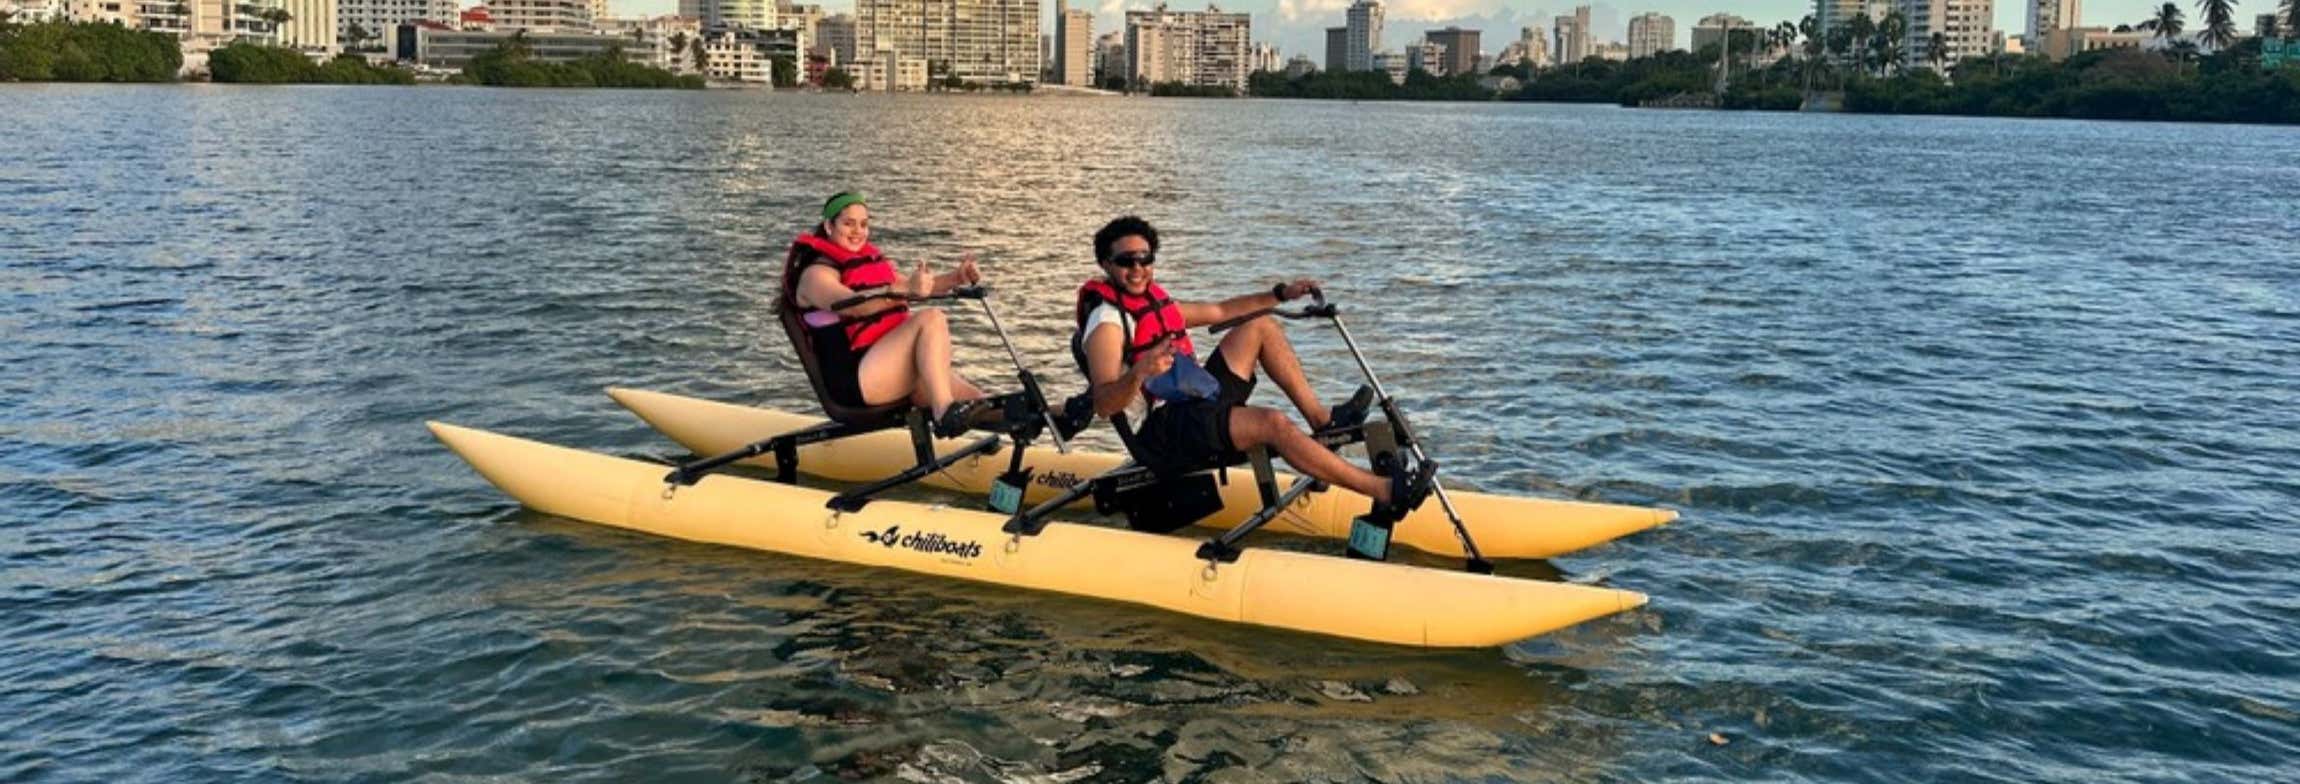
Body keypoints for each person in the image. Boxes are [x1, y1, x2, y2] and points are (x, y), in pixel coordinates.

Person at [1072, 216, 1434, 520]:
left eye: (1144, 258)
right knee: (1272, 423)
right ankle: (1385, 490)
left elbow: (1220, 311)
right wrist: (1138, 373)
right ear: (1106, 265)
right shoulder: (1107, 323)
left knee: (1260, 326)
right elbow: (1104, 404)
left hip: (1196, 401)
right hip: (1166, 431)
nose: (1137, 269)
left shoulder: (1154, 301)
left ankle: (1323, 422)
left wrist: (1279, 295)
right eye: (1125, 261)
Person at [782, 192, 991, 436]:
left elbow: (919, 287)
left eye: (864, 224)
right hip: (855, 384)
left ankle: (1008, 461)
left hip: (884, 370)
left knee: (980, 403)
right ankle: (943, 411)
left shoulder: (866, 262)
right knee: (931, 318)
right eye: (848, 223)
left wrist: (958, 277)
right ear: (829, 226)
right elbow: (853, 305)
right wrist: (903, 291)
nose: (857, 231)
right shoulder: (815, 276)